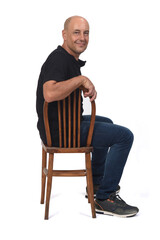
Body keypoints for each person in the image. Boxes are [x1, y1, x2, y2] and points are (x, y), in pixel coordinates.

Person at [36, 16, 139, 217]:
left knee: (107, 123)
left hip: (61, 126)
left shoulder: (67, 59)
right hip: (60, 133)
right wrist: (81, 79)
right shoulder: (59, 59)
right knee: (124, 136)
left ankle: (97, 184)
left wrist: (79, 82)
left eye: (86, 33)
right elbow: (49, 93)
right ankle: (105, 197)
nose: (82, 38)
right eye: (76, 32)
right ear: (64, 35)